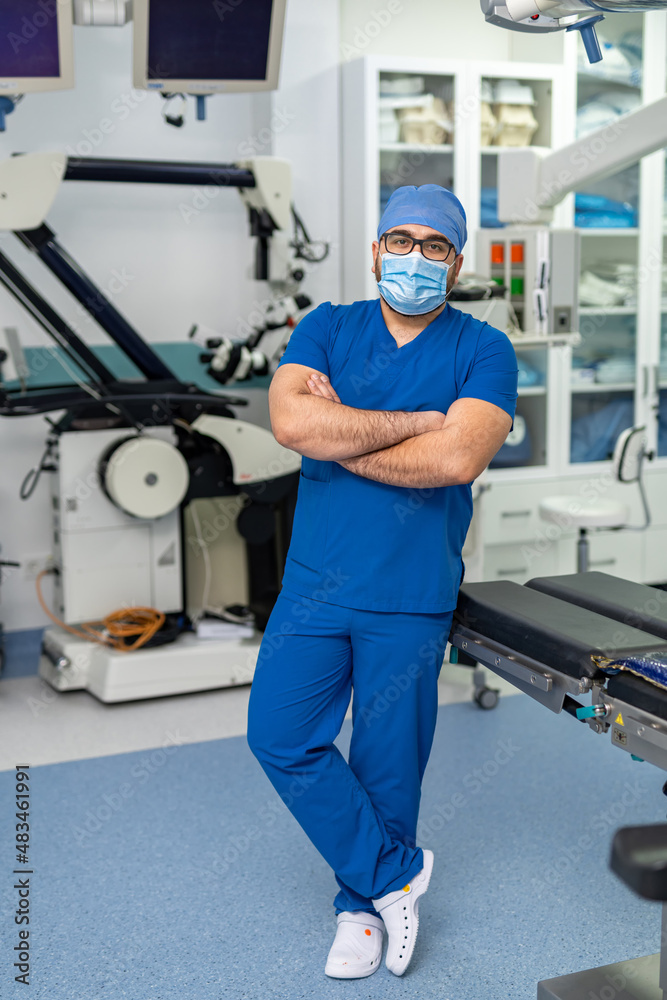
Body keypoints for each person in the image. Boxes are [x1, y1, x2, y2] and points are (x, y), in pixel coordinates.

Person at [246, 184, 518, 980]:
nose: (414, 257)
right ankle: (395, 874)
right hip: (315, 584)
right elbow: (292, 424)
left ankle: (359, 912)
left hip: (408, 591)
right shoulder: (327, 326)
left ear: (455, 264)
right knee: (279, 736)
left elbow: (455, 459)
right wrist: (416, 422)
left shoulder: (483, 349)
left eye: (434, 246)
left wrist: (341, 437)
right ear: (374, 251)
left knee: (387, 760)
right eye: (400, 240)